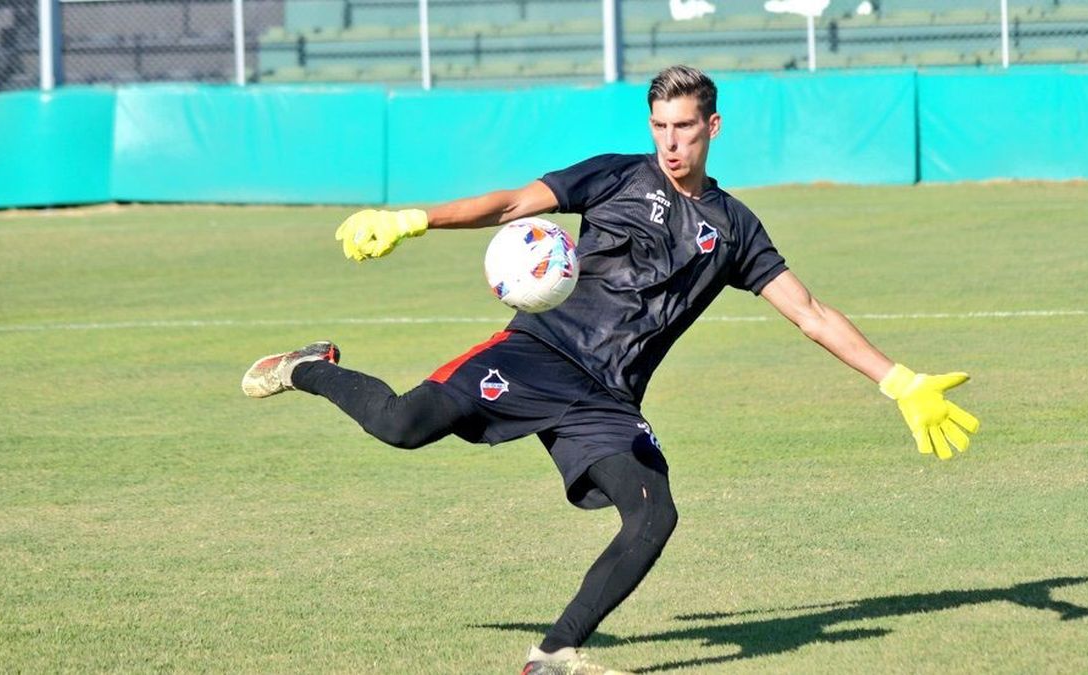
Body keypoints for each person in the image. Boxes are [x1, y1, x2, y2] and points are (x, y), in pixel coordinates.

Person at [242, 65, 980, 675]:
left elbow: (810, 311)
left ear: (712, 128)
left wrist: (898, 380)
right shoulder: (614, 176)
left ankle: (555, 652)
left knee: (655, 513)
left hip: (607, 399)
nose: (669, 141)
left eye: (684, 126)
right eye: (659, 125)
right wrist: (413, 219)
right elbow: (509, 203)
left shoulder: (735, 229)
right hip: (533, 353)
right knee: (400, 426)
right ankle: (308, 367)